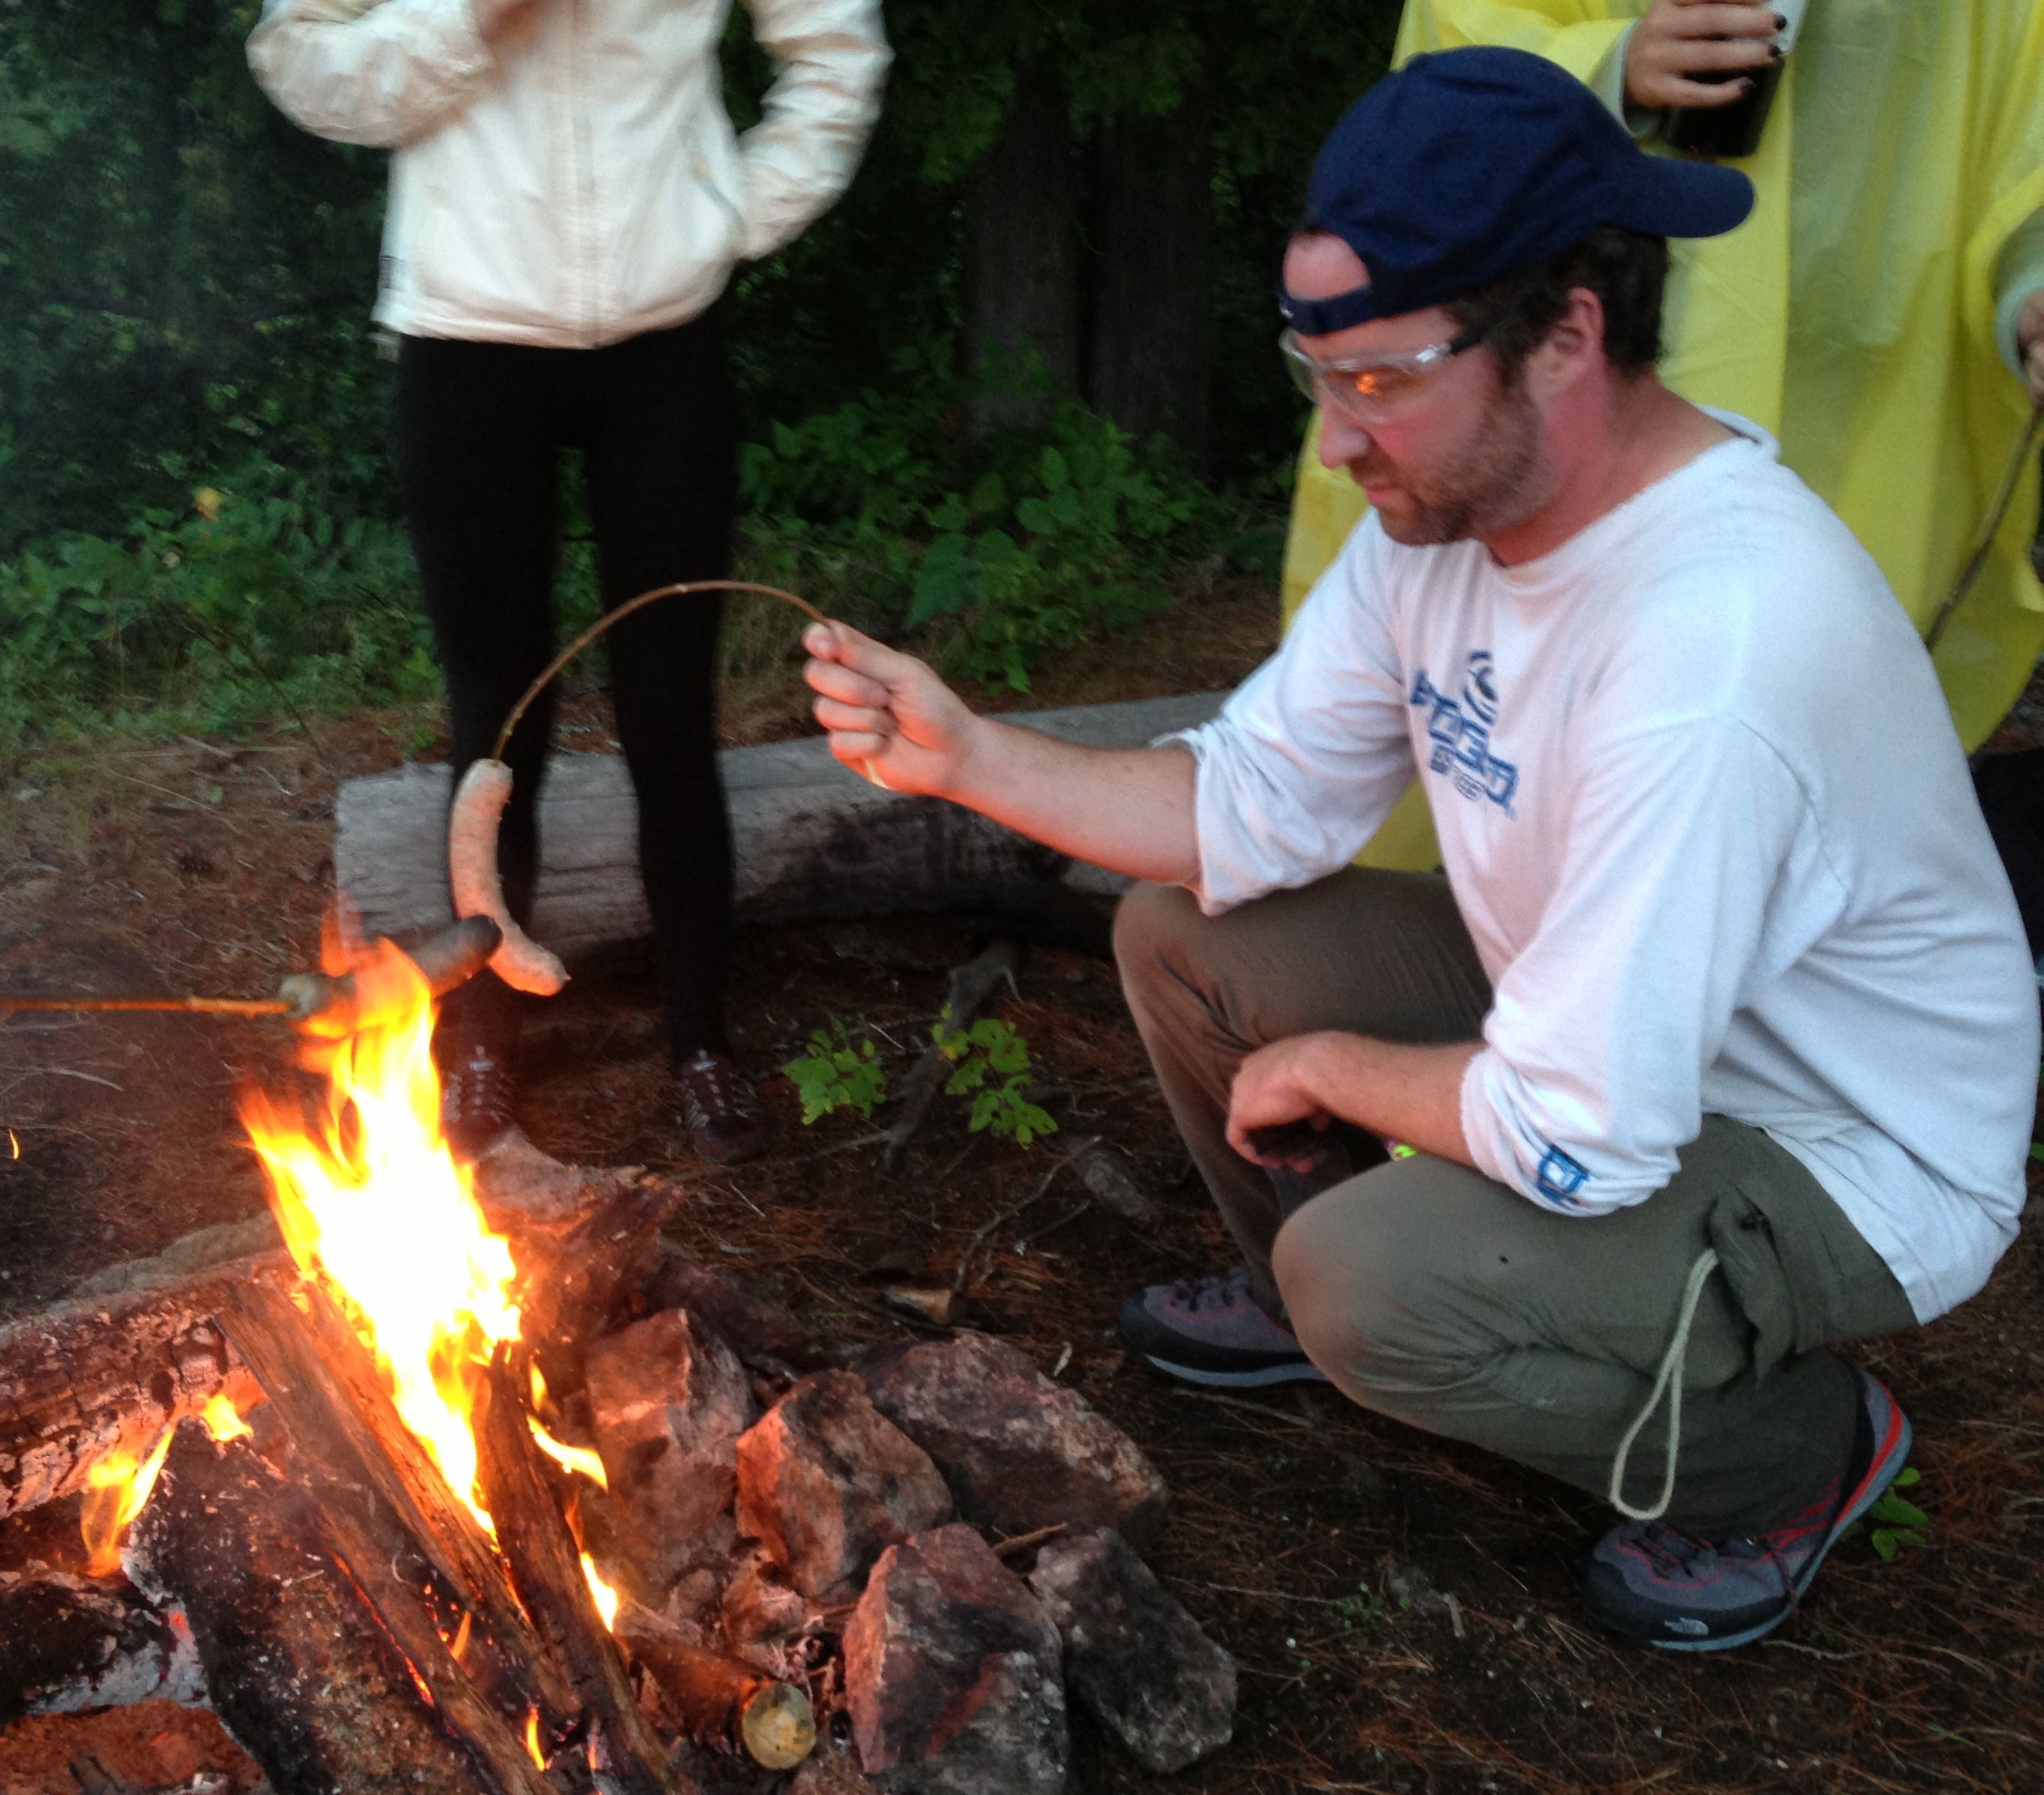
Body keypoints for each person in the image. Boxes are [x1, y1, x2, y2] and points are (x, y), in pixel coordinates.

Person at [800, 48, 2036, 1653]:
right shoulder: (1448, 525)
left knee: (1368, 1280)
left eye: (1379, 382)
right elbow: (1248, 801)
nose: (1336, 442)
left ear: (1566, 336)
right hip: (1606, 1010)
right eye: (1317, 376)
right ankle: (1344, 1280)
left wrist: (1330, 1065)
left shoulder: (1711, 652)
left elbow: (1582, 1129)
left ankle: (1792, 1457)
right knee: (1181, 934)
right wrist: (967, 758)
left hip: (1836, 1137)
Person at [248, 0, 890, 1164]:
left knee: (671, 715)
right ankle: (483, 1038)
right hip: (465, 343)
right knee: (495, 725)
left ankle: (700, 1040)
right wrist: (473, 15)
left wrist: (728, 217)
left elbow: (835, 44)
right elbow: (307, 64)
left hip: (665, 342)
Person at [1282, 0, 2044, 872]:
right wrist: (1608, 68)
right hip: (1551, 378)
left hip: (1867, 401)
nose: (1347, 440)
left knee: (1757, 762)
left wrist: (2032, 288)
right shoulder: (1429, 499)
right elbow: (1446, 66)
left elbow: (2022, 122)